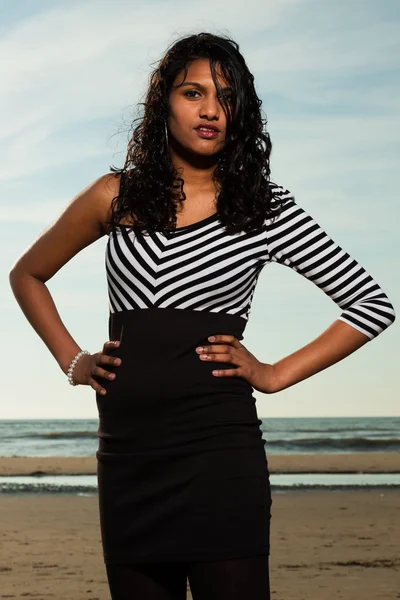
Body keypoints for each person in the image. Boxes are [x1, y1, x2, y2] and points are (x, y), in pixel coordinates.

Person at [9, 32, 395, 600]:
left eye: (227, 96)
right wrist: (73, 360)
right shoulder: (112, 196)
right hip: (129, 460)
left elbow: (370, 304)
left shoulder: (265, 208)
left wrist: (274, 373)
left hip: (220, 458)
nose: (211, 109)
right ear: (163, 100)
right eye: (193, 92)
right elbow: (27, 274)